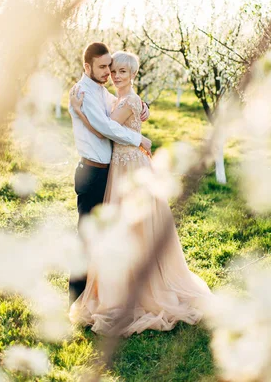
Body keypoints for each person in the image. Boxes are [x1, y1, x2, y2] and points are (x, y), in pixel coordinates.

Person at [69, 50, 211, 336]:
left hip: (130, 167)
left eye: (122, 71)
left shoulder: (128, 99)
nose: (115, 75)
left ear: (133, 75)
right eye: (112, 70)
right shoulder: (114, 97)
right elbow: (107, 121)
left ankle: (142, 287)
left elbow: (104, 129)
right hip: (120, 166)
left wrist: (81, 111)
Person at [68, 42, 152, 303]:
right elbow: (106, 126)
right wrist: (139, 139)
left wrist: (142, 105)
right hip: (92, 173)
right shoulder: (83, 92)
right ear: (87, 67)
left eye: (111, 67)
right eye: (103, 67)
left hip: (111, 172)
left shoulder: (101, 91)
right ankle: (76, 298)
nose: (108, 72)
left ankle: (104, 292)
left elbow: (122, 105)